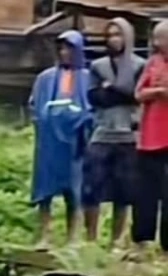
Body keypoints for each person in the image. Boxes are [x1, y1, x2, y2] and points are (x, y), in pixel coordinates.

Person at [83, 18, 145, 247]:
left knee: (124, 191)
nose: (114, 40)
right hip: (102, 132)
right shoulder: (98, 66)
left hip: (129, 134)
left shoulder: (140, 65)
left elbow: (137, 95)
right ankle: (90, 239)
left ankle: (116, 240)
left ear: (127, 37)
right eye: (109, 35)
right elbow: (94, 97)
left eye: (118, 35)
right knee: (92, 187)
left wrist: (113, 89)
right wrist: (118, 93)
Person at [29, 30, 92, 249]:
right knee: (45, 188)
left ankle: (73, 238)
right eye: (62, 48)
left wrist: (83, 123)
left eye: (69, 49)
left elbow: (93, 107)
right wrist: (43, 122)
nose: (65, 53)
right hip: (49, 142)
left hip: (76, 142)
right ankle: (45, 235)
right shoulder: (45, 78)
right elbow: (34, 106)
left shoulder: (88, 78)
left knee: (74, 189)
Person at [134, 21, 168, 255]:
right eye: (156, 38)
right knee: (145, 192)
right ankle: (142, 240)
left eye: (162, 38)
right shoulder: (153, 63)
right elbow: (138, 93)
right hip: (150, 138)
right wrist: (157, 92)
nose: (157, 43)